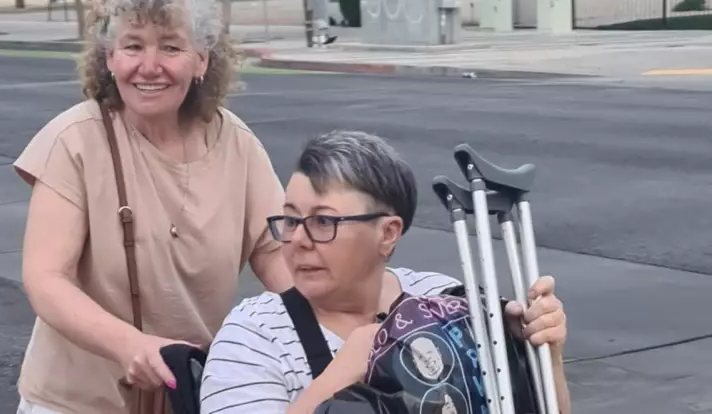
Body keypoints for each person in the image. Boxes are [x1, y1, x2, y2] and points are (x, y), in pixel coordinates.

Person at [13, 0, 292, 413]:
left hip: (188, 396)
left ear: (202, 59)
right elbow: (46, 279)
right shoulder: (75, 140)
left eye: (171, 47)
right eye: (133, 46)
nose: (149, 66)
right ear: (108, 57)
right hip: (77, 403)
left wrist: (329, 332)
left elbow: (279, 255)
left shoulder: (236, 143)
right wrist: (130, 345)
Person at [198, 130, 571, 414]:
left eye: (324, 221)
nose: (298, 240)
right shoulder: (253, 336)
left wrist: (545, 352)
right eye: (292, 219)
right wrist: (343, 372)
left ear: (388, 233)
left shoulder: (444, 302)